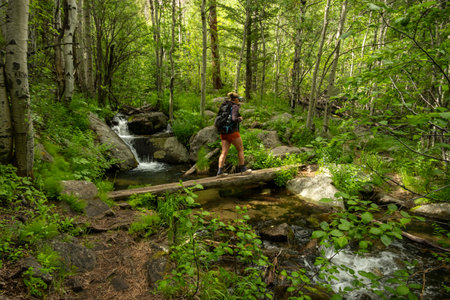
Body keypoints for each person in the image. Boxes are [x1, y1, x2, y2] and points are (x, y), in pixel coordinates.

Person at [216, 92, 251, 176]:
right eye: (238, 99)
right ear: (235, 99)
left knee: (224, 152)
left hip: (223, 132)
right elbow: (234, 118)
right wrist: (240, 119)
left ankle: (220, 172)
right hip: (233, 132)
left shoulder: (223, 105)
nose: (239, 101)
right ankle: (243, 169)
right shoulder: (234, 106)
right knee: (240, 149)